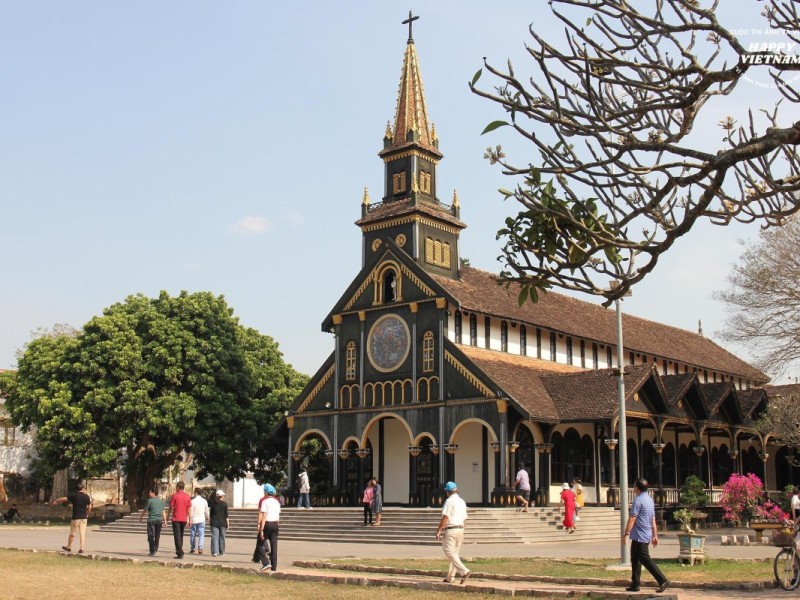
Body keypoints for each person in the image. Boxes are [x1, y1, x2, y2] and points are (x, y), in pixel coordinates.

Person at [622, 478, 670, 594]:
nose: (633, 489)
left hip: (640, 535)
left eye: (634, 486)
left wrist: (626, 534)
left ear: (637, 488)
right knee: (635, 558)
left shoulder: (638, 500)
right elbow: (653, 519)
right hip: (645, 533)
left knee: (644, 558)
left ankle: (663, 580)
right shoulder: (649, 500)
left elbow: (633, 517)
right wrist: (654, 535)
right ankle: (635, 583)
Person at [435, 481, 470, 584]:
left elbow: (445, 517)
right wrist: (463, 530)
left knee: (449, 552)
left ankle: (464, 571)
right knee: (454, 554)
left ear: (447, 492)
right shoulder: (462, 501)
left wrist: (439, 530)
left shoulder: (449, 501)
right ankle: (450, 577)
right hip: (460, 529)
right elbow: (465, 519)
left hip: (451, 529)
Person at [53, 482, 93, 554]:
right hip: (84, 517)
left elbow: (64, 499)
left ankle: (69, 546)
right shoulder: (87, 496)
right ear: (83, 488)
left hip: (76, 517)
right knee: (82, 533)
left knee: (72, 533)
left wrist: (57, 500)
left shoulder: (74, 495)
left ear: (76, 489)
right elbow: (90, 506)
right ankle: (82, 548)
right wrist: (87, 514)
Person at [257, 483, 280, 572]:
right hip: (275, 524)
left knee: (259, 544)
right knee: (274, 546)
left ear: (266, 493)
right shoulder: (277, 502)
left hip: (267, 524)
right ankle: (274, 567)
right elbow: (278, 516)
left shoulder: (265, 502)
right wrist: (277, 525)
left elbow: (264, 516)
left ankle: (266, 562)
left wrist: (261, 529)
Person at [167, 481, 192, 559]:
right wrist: (190, 519)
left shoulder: (174, 496)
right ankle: (179, 551)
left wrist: (167, 517)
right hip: (184, 519)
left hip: (176, 518)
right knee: (180, 535)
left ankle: (180, 552)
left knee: (177, 536)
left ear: (178, 487)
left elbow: (170, 507)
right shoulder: (187, 496)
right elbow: (189, 509)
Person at [139, 488, 166, 556]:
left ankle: (152, 550)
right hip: (159, 520)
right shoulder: (161, 501)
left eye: (150, 492)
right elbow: (163, 512)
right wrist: (165, 521)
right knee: (157, 535)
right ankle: (156, 548)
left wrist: (141, 517)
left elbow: (145, 510)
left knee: (150, 535)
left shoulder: (150, 501)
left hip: (151, 520)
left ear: (153, 493)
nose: (149, 494)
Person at [189, 488, 209, 555]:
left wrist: (189, 519)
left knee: (193, 534)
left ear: (196, 493)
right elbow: (206, 510)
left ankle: (192, 548)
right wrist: (207, 516)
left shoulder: (192, 501)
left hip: (194, 519)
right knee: (201, 534)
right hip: (201, 519)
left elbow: (190, 511)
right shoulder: (204, 501)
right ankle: (200, 547)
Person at [209, 489, 229, 557]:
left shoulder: (213, 504)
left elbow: (211, 514)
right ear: (222, 496)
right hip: (222, 523)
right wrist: (228, 523)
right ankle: (222, 552)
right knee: (222, 537)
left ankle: (215, 552)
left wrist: (210, 522)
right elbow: (226, 515)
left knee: (215, 537)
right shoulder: (225, 504)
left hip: (214, 522)